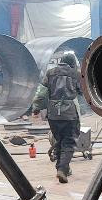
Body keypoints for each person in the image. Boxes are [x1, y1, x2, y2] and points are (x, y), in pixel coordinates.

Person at [30, 50, 81, 183]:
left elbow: (41, 93)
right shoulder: (75, 74)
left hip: (53, 114)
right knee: (69, 141)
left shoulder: (50, 73)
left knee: (59, 140)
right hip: (69, 114)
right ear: (73, 63)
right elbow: (84, 91)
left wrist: (36, 108)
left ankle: (62, 168)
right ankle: (62, 169)